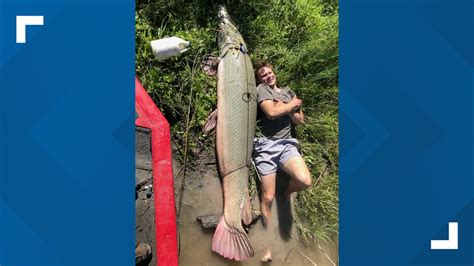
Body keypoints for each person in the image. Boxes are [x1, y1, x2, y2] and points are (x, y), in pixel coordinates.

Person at [253, 61, 312, 262]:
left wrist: (285, 106)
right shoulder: (261, 90)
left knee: (305, 181)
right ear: (259, 80)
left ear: (274, 73)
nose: (268, 76)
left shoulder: (287, 92)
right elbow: (271, 113)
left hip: (287, 144)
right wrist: (291, 106)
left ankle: (286, 190)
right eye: (263, 75)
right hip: (266, 146)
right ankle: (267, 247)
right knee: (268, 198)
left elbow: (300, 121)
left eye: (269, 73)